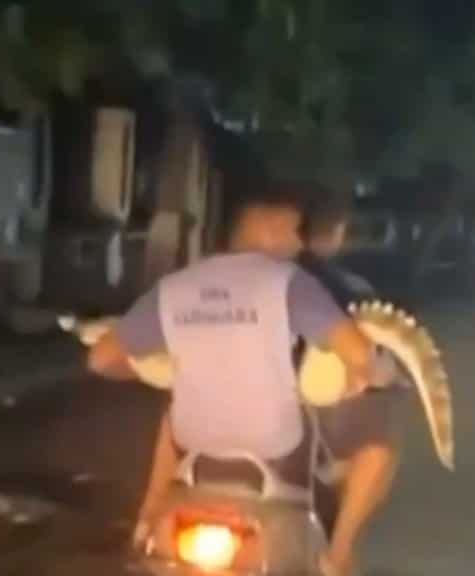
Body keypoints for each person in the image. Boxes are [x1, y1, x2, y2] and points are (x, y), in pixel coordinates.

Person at [87, 178, 380, 576]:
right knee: (380, 438)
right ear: (269, 228)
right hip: (278, 459)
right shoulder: (290, 284)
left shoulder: (173, 288)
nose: (297, 245)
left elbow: (101, 359)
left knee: (174, 409)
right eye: (293, 232)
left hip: (197, 456)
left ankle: (148, 518)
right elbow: (360, 353)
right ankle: (338, 554)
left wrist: (154, 373)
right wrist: (359, 376)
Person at [295, 187, 410, 574]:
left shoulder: (253, 279)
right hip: (306, 423)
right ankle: (338, 551)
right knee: (378, 452)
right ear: (338, 231)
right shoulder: (350, 291)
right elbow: (371, 361)